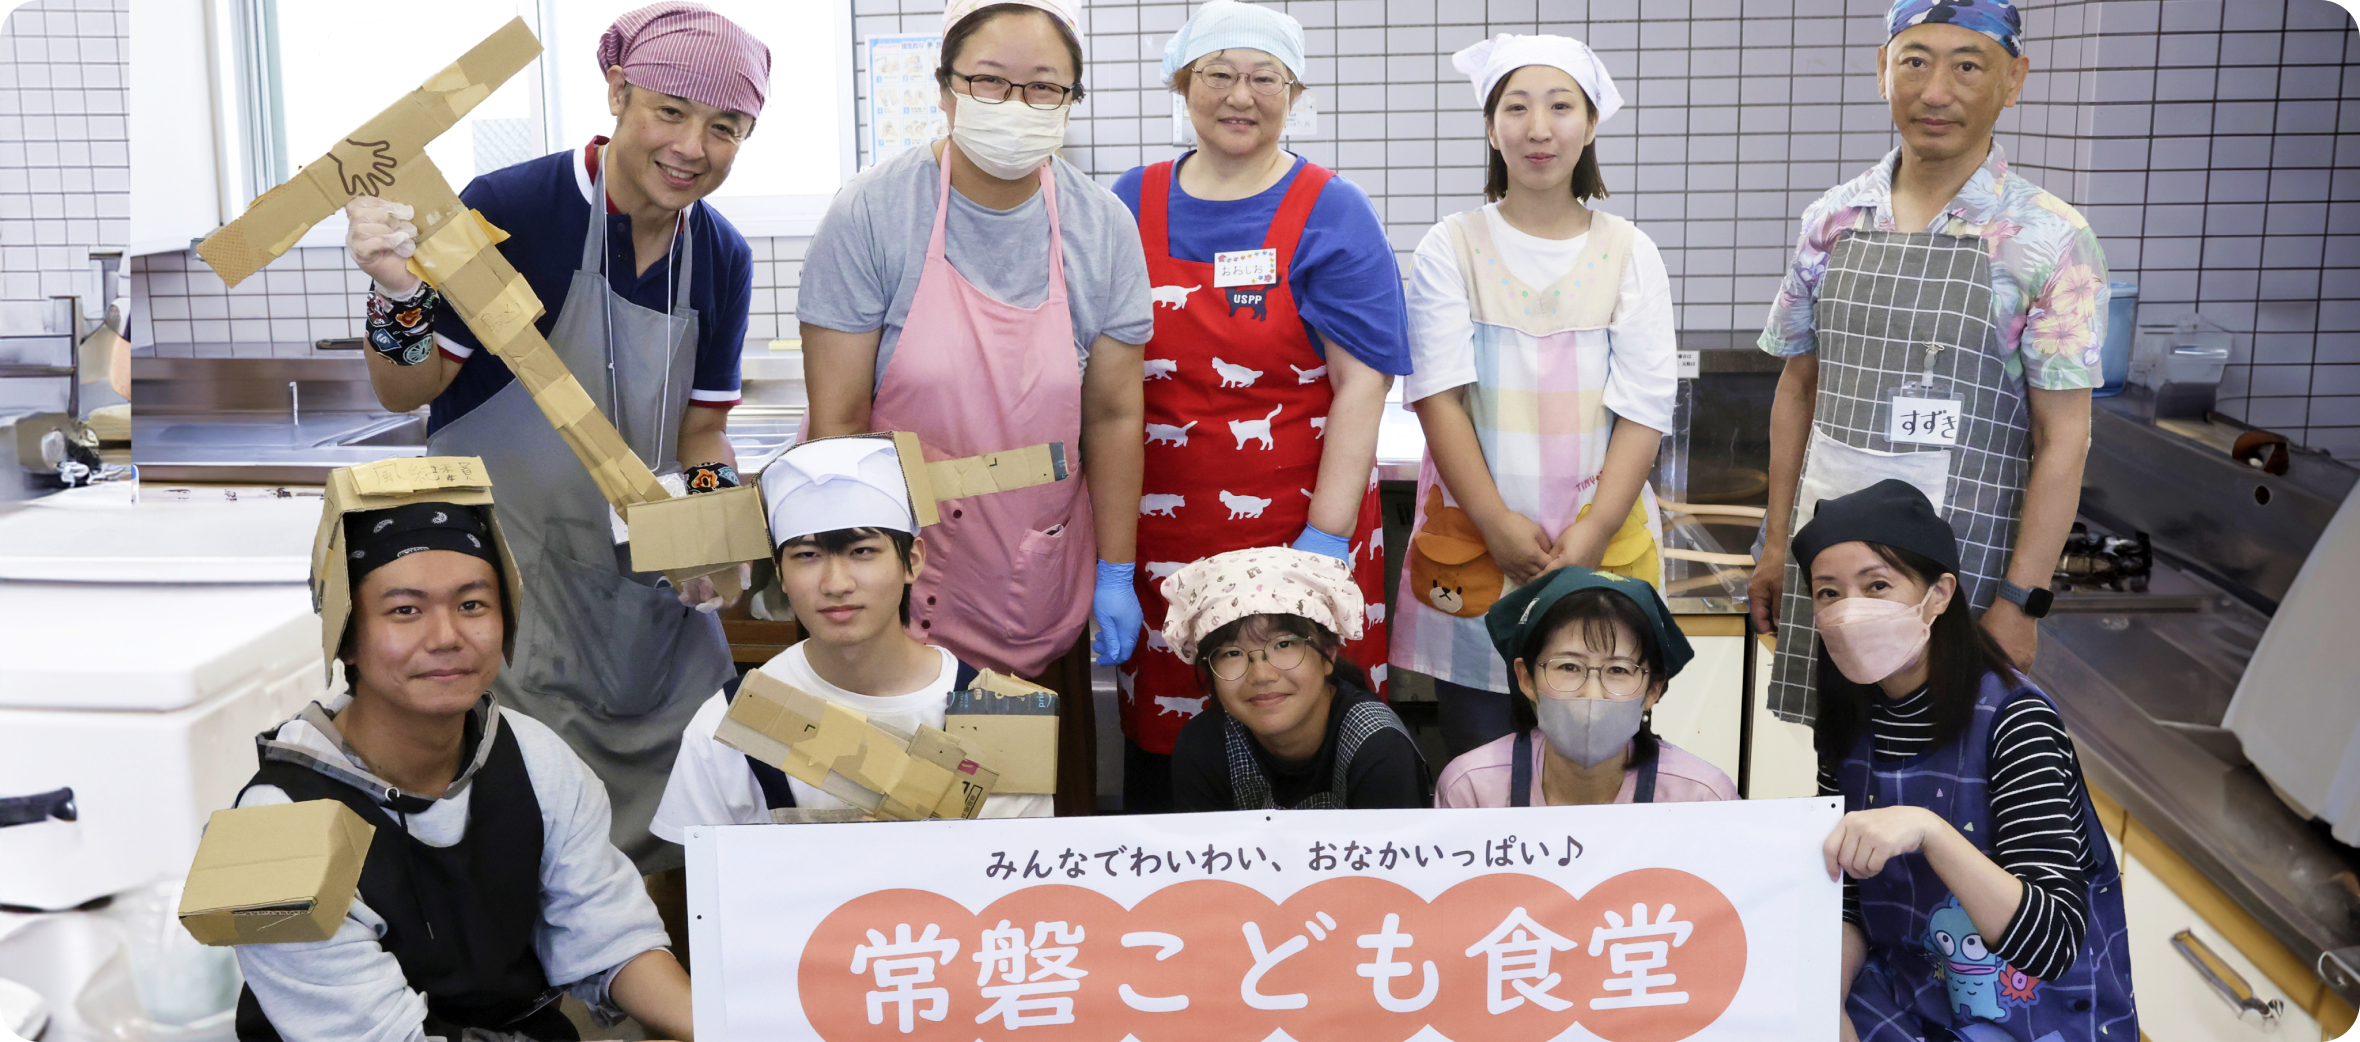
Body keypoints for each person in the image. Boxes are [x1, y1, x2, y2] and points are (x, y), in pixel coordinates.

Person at [341, 2, 774, 872]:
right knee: (524, 840)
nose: (693, 146)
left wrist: (711, 525)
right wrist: (396, 294)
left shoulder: (721, 255)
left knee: (697, 821)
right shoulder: (513, 208)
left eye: (725, 128)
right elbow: (406, 387)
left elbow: (702, 433)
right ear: (618, 93)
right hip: (511, 585)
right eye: (670, 112)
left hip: (641, 599)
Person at [797, 0, 1154, 811]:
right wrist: (851, 580)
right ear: (945, 89)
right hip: (893, 593)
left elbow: (1112, 415)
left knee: (1015, 833)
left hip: (1031, 583)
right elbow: (838, 422)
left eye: (1043, 87)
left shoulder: (1100, 227)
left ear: (1071, 101)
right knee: (895, 824)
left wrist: (1116, 570)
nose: (1015, 105)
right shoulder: (874, 212)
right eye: (990, 82)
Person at [231, 477, 692, 1042]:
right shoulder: (271, 832)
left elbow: (610, 936)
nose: (447, 636)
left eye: (472, 605)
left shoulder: (534, 757)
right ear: (347, 639)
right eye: (405, 610)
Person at [1750, 0, 2107, 728]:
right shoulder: (1833, 220)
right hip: (1831, 573)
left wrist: (2020, 602)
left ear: (2013, 81)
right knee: (1839, 766)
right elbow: (1798, 389)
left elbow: (2063, 439)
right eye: (1914, 62)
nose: (1936, 92)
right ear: (1883, 70)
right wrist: (1774, 546)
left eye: (1967, 67)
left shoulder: (2050, 238)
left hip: (1966, 577)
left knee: (1950, 776)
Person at [1106, 0, 1409, 813]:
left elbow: (1364, 382)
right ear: (1182, 83)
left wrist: (1324, 543)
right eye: (1218, 74)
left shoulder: (1331, 208)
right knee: (1173, 762)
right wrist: (1110, 564)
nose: (1240, 96)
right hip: (1164, 533)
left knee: (1305, 737)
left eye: (1265, 78)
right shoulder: (1129, 200)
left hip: (1300, 521)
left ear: (1294, 93)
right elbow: (1103, 380)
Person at [1393, 34, 1677, 762]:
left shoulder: (1629, 252)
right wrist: (1495, 524)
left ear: (1591, 123)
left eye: (1560, 106)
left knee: (1598, 753)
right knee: (1482, 759)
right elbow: (1437, 398)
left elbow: (1644, 410)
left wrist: (1594, 530)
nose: (1538, 128)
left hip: (1601, 542)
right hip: (1478, 545)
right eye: (1516, 108)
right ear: (1492, 129)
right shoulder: (1451, 246)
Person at [1803, 481, 2134, 1040]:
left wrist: (1930, 831)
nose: (1849, 611)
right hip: (1908, 994)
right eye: (1828, 593)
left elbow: (2051, 944)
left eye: (1877, 585)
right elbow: (1846, 898)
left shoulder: (2016, 720)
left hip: (2030, 1015)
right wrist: (1825, 1003)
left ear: (1939, 594)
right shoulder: (1848, 722)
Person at [651, 435, 1055, 840]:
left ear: (912, 561)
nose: (836, 583)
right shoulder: (727, 721)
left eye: (862, 551)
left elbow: (1020, 872)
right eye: (807, 555)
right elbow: (703, 873)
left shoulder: (1000, 720)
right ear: (780, 573)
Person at [1435, 566, 1735, 808]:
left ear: (1653, 690)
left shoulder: (1702, 799)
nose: (1592, 695)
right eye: (1569, 667)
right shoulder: (1472, 791)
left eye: (1618, 670)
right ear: (1526, 678)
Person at [1162, 547, 1430, 811]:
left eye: (1284, 645)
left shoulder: (1380, 749)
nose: (1261, 675)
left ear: (1328, 653)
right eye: (1233, 653)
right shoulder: (1204, 746)